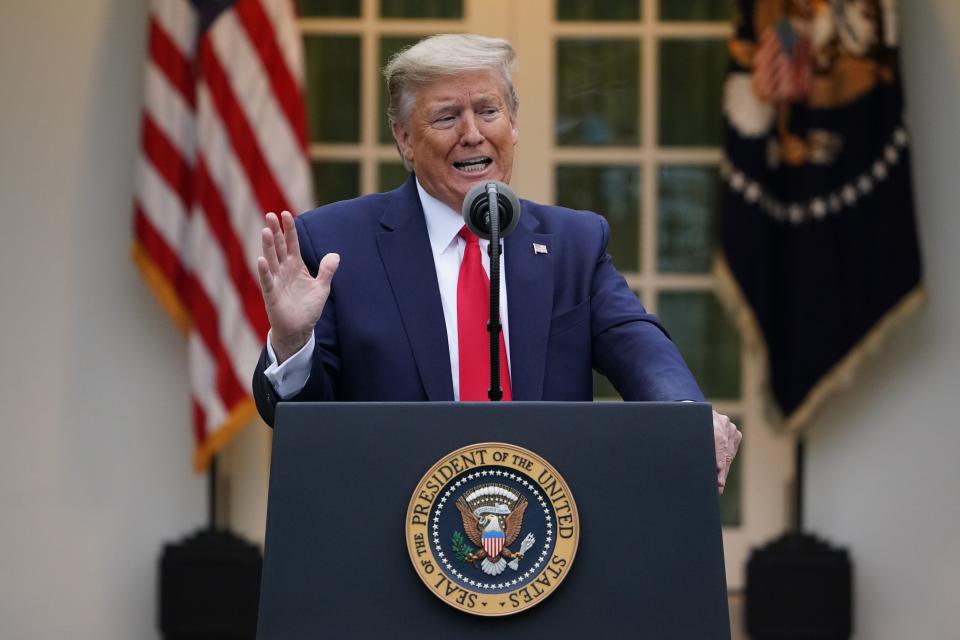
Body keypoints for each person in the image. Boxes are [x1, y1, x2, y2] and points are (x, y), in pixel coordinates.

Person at [252, 34, 741, 493]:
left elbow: (639, 346)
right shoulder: (337, 244)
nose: (473, 134)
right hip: (393, 531)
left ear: (513, 122)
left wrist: (684, 414)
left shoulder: (573, 242)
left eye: (489, 110)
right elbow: (303, 421)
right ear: (403, 138)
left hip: (547, 535)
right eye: (446, 117)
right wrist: (293, 344)